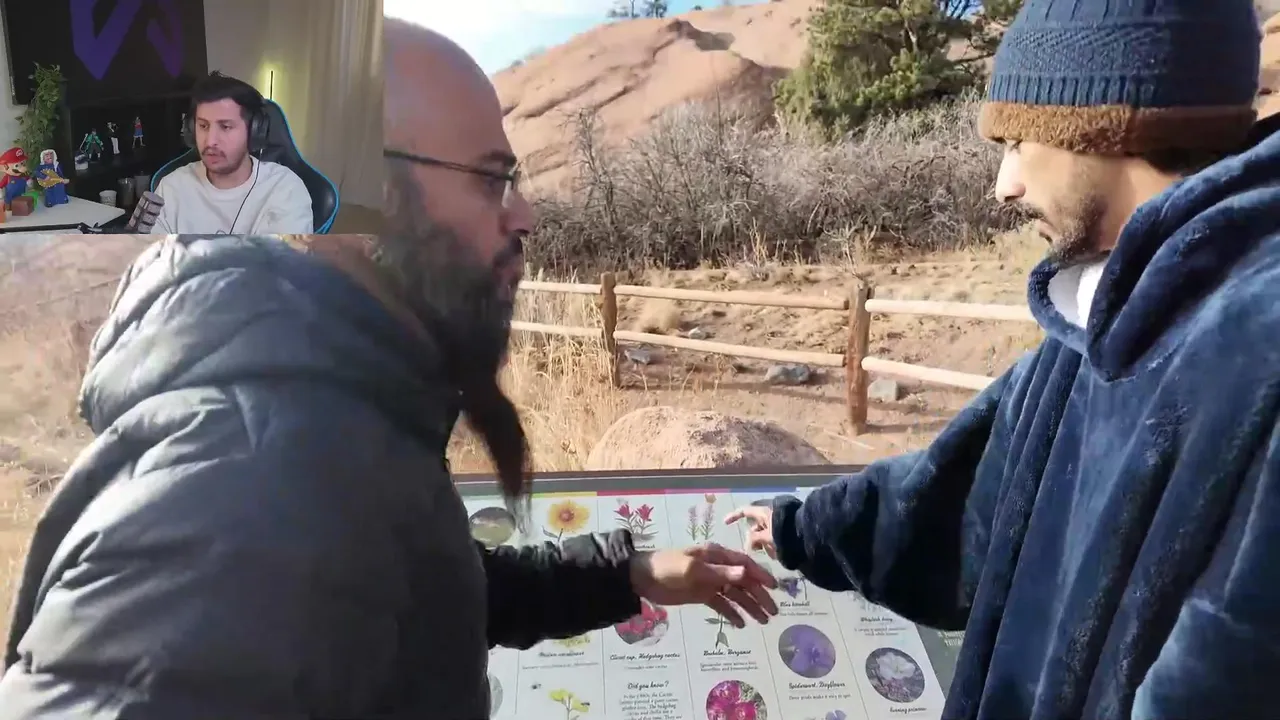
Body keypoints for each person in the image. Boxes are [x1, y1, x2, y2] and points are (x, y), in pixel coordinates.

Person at [0, 22, 779, 720]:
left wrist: (627, 573)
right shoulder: (240, 488)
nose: (525, 215)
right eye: (490, 178)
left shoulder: (333, 424)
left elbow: (413, 593)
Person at [729, 1, 1279, 718]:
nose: (1004, 183)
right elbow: (966, 497)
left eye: (1019, 140)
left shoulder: (1256, 348)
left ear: (1104, 123)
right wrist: (809, 530)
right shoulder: (1099, 311)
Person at [153, 71, 313, 234]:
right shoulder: (171, 188)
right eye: (203, 126)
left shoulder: (285, 190)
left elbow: (283, 251)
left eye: (225, 127)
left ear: (254, 131)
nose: (210, 141)